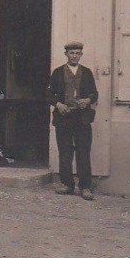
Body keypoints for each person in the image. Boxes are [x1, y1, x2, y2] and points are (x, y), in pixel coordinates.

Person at [47, 41, 98, 200]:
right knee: (65, 152)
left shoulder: (87, 73)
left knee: (83, 152)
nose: (74, 56)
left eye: (77, 53)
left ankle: (85, 187)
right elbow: (49, 94)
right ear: (66, 55)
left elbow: (94, 94)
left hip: (82, 118)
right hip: (64, 117)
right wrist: (58, 104)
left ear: (81, 55)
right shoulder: (57, 72)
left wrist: (88, 101)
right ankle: (67, 185)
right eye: (72, 53)